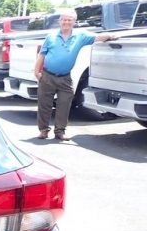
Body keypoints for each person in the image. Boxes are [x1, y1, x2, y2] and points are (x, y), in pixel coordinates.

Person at [34, 9, 118, 141]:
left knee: (64, 104)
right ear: (60, 21)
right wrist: (37, 72)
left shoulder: (81, 36)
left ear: (74, 21)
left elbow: (97, 37)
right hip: (47, 75)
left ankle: (60, 132)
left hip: (65, 77)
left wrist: (110, 36)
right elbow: (42, 55)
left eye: (69, 20)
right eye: (64, 19)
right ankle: (43, 130)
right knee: (44, 105)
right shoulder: (50, 37)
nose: (66, 22)